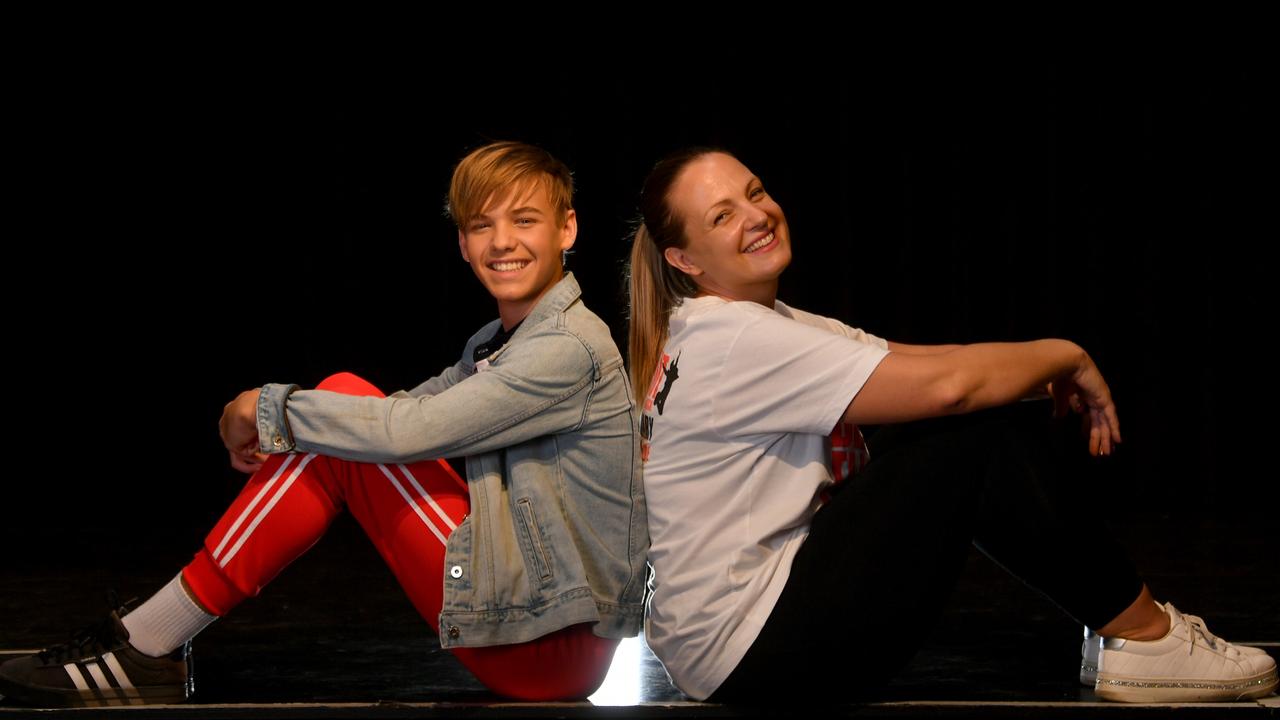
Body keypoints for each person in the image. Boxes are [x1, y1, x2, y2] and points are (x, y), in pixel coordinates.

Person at [0, 141, 648, 707]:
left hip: (551, 646)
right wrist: (291, 419)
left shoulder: (566, 348)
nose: (501, 241)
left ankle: (145, 643)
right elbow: (394, 413)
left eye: (525, 220)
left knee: (335, 413)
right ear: (461, 241)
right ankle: (145, 641)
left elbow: (403, 431)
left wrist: (262, 408)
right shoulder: (502, 341)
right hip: (544, 628)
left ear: (567, 228)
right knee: (337, 421)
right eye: (482, 224)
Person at [627, 147, 1277, 704]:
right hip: (755, 657)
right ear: (684, 260)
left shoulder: (739, 327)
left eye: (755, 192)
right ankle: (1146, 639)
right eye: (722, 216)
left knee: (961, 414)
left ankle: (1131, 631)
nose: (756, 215)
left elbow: (907, 363)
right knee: (969, 431)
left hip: (725, 649)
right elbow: (951, 389)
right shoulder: (734, 339)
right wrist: (1067, 355)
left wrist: (1027, 370)